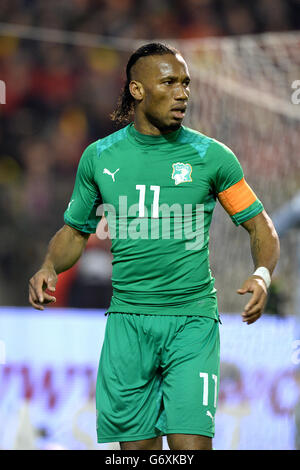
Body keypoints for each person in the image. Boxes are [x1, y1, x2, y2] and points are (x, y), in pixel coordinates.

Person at [29, 43, 280, 450]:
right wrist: (48, 267)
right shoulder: (99, 157)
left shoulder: (211, 157)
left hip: (191, 322)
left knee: (190, 449)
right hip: (128, 323)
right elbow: (75, 231)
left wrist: (262, 274)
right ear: (137, 90)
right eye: (169, 82)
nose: (183, 93)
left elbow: (260, 227)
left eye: (186, 83)